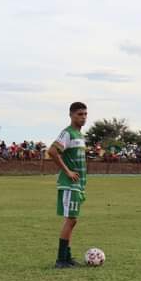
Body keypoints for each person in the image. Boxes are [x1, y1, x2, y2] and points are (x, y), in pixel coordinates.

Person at [47, 102, 88, 268]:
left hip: (78, 185)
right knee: (71, 220)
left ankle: (67, 257)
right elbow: (52, 151)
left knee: (72, 220)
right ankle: (61, 259)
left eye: (85, 114)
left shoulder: (80, 136)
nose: (83, 117)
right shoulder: (67, 133)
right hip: (70, 184)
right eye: (80, 114)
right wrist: (67, 172)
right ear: (71, 115)